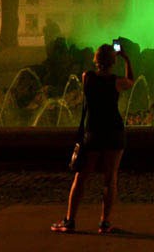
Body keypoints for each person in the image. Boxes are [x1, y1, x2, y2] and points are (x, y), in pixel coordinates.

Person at [51, 43, 135, 234]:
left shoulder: (86, 78)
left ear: (96, 60)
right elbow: (131, 81)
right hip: (114, 133)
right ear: (113, 61)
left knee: (81, 177)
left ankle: (69, 220)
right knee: (110, 178)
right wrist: (126, 59)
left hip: (93, 133)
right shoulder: (116, 82)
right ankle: (104, 223)